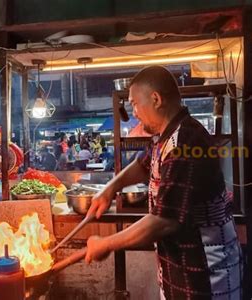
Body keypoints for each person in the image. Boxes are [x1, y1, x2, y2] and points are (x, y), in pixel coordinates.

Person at [84, 66, 242, 299]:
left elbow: (164, 221)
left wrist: (106, 243)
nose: (134, 112)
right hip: (180, 268)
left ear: (156, 99)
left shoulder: (185, 141)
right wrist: (110, 189)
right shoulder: (166, 135)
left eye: (134, 103)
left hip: (204, 274)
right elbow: (143, 164)